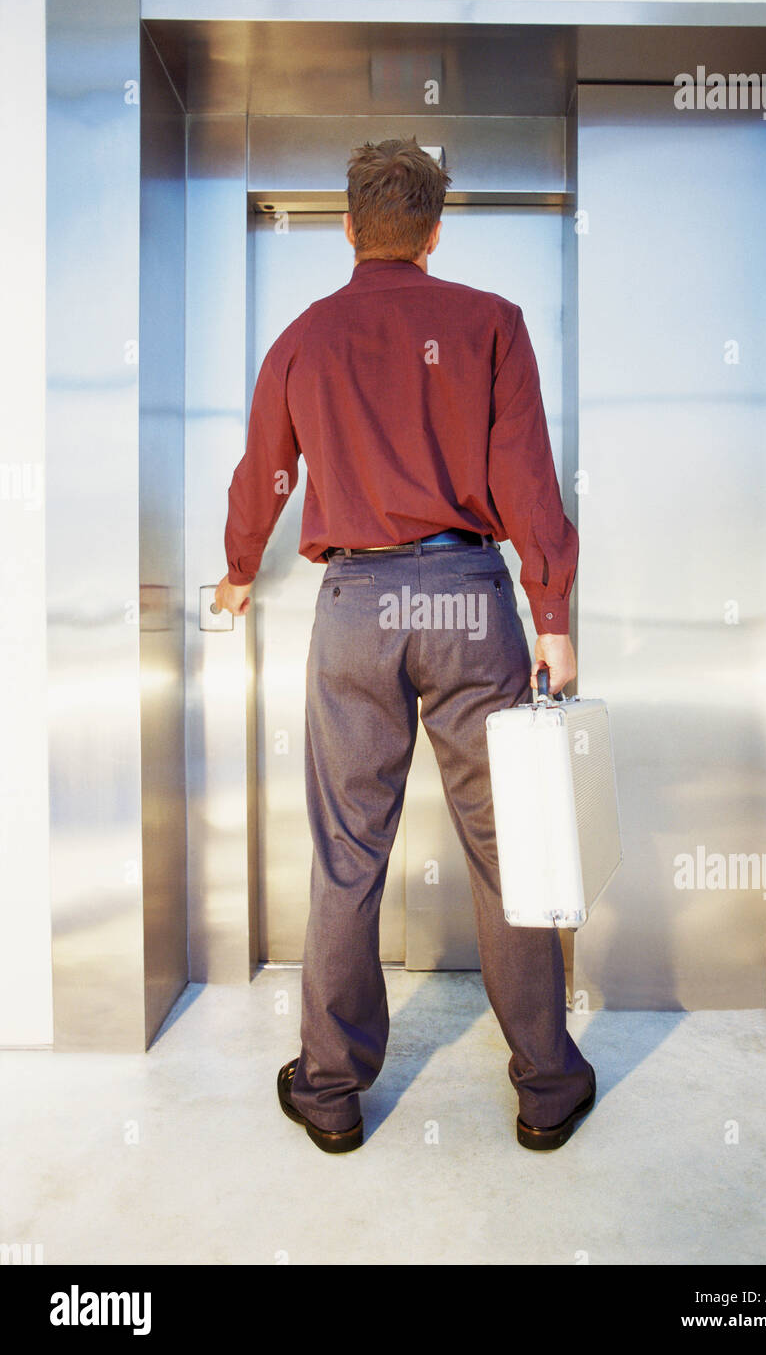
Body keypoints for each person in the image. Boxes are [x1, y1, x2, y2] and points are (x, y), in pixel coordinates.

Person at [214, 137, 595, 1153]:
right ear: (434, 233)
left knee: (346, 855)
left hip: (354, 603)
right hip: (471, 600)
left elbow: (265, 473)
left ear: (347, 228)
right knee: (506, 845)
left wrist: (241, 565)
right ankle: (548, 1090)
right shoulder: (490, 324)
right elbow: (525, 483)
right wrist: (550, 614)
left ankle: (330, 1096)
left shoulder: (303, 336)